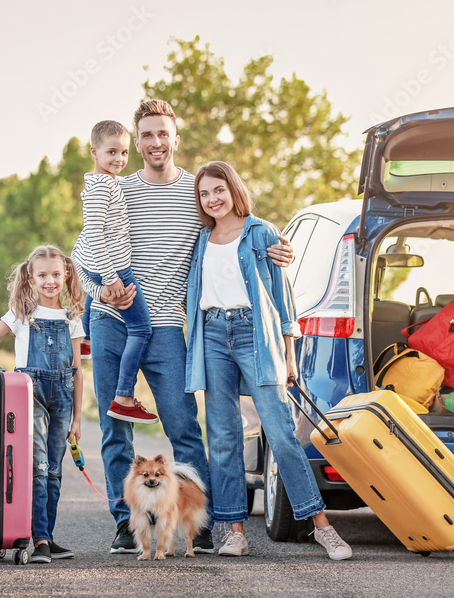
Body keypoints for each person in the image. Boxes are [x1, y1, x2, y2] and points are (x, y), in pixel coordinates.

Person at [72, 100, 293, 555]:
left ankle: (201, 521)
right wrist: (101, 291)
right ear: (136, 143)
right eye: (147, 135)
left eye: (163, 134)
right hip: (113, 321)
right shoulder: (116, 189)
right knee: (116, 429)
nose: (155, 142)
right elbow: (83, 254)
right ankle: (124, 523)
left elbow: (238, 226)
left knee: (183, 426)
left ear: (176, 138)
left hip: (168, 327)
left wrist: (279, 248)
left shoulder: (195, 194)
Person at [184, 161, 353, 561]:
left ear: (233, 189)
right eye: (205, 194)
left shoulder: (263, 233)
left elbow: (283, 300)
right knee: (223, 440)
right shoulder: (201, 239)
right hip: (211, 337)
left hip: (254, 335)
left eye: (219, 190)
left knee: (280, 435)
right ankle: (234, 532)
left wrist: (290, 356)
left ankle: (322, 527)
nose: (213, 200)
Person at [0, 244, 84, 564]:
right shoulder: (23, 314)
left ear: (66, 276)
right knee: (38, 467)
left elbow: (77, 373)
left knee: (54, 471)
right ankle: (40, 540)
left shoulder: (72, 317)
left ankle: (46, 533)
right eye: (43, 275)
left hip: (62, 397)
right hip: (30, 395)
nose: (50, 281)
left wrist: (77, 419)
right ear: (31, 278)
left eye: (56, 275)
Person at [73, 120, 157, 425]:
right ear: (94, 152)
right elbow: (93, 235)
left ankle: (85, 341)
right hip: (115, 268)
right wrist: (110, 279)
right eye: (111, 152)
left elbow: (83, 242)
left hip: (102, 266)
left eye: (123, 153)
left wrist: (92, 280)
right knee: (141, 329)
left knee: (133, 326)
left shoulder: (105, 183)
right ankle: (124, 396)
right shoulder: (100, 188)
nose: (119, 160)